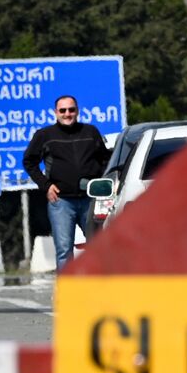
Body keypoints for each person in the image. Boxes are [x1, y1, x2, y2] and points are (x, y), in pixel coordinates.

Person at [21, 94, 111, 270]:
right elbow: (29, 162)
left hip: (90, 200)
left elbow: (105, 160)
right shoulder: (45, 135)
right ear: (56, 112)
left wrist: (101, 182)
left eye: (71, 110)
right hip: (61, 202)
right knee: (64, 250)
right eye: (63, 110)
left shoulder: (90, 132)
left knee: (99, 246)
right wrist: (45, 185)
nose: (67, 114)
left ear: (77, 111)